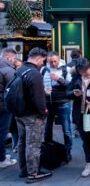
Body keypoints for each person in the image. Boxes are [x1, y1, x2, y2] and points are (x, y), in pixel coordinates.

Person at [15, 47, 52, 183]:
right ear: (38, 58)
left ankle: (23, 169)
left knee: (22, 142)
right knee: (33, 144)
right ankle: (33, 173)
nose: (43, 63)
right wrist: (44, 112)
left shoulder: (20, 70)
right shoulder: (35, 74)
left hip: (19, 113)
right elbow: (38, 98)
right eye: (43, 60)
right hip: (32, 115)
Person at [41, 51, 73, 162]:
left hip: (62, 102)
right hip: (48, 102)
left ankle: (67, 151)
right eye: (50, 62)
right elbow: (40, 84)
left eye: (55, 61)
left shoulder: (66, 69)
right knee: (47, 127)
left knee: (66, 128)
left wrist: (58, 79)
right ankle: (48, 150)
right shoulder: (43, 69)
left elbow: (71, 85)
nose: (53, 64)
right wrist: (43, 90)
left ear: (59, 59)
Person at [0, 48, 17, 168]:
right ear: (8, 57)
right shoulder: (8, 70)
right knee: (2, 132)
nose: (14, 61)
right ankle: (2, 159)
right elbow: (13, 90)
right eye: (14, 59)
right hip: (3, 106)